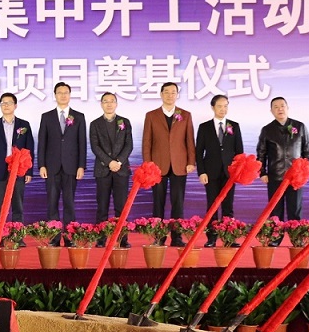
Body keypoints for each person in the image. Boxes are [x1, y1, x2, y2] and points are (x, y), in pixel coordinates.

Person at [142, 82, 195, 246]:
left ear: (177, 95)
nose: (170, 95)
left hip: (180, 164)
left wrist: (191, 161)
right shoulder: (151, 115)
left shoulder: (185, 115)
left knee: (178, 203)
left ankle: (177, 237)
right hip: (157, 166)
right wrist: (148, 164)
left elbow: (189, 140)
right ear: (161, 94)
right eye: (166, 92)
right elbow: (147, 142)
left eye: (173, 92)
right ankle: (159, 237)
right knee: (158, 202)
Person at [36, 82, 87, 243]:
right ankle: (54, 238)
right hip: (51, 166)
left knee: (69, 203)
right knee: (52, 203)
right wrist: (41, 165)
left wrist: (81, 166)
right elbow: (42, 143)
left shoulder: (79, 117)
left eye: (66, 93)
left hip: (71, 166)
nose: (63, 95)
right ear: (55, 95)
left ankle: (70, 237)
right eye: (60, 93)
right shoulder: (47, 117)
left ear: (70, 95)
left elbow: (82, 143)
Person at [256, 97, 309, 235]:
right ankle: (275, 238)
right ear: (271, 111)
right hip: (275, 176)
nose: (279, 109)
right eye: (275, 107)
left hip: (296, 177)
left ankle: (296, 238)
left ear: (287, 108)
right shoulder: (267, 130)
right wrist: (262, 172)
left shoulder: (299, 126)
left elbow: (307, 150)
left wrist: (303, 171)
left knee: (295, 210)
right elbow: (261, 153)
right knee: (275, 210)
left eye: (282, 106)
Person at [195, 94, 244, 246]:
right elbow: (198, 152)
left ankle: (229, 237)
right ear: (213, 107)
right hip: (211, 172)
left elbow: (239, 152)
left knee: (228, 206)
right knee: (212, 205)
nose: (223, 109)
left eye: (225, 106)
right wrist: (201, 172)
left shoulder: (234, 126)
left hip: (230, 173)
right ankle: (211, 238)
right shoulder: (204, 127)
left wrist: (238, 172)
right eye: (219, 106)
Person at [89, 92, 132, 248]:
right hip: (103, 170)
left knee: (121, 207)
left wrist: (118, 161)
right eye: (105, 101)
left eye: (112, 101)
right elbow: (95, 147)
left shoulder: (124, 122)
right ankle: (101, 239)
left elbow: (129, 145)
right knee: (102, 206)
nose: (109, 104)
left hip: (121, 170)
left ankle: (122, 239)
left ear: (116, 104)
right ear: (101, 104)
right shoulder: (95, 124)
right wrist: (109, 162)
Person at [0, 92, 34, 222]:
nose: (6, 105)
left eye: (9, 103)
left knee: (18, 206)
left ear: (15, 106)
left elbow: (29, 149)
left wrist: (29, 171)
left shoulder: (24, 125)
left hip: (19, 170)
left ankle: (17, 232)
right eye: (3, 103)